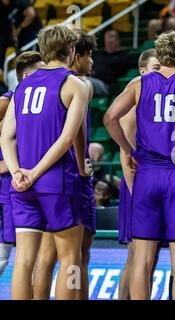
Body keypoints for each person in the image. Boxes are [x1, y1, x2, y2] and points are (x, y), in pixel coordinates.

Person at [104, 31, 175, 300]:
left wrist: (127, 148)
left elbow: (110, 117)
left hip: (147, 173)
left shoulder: (139, 83)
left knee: (141, 259)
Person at [0, 25, 89, 300]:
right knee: (70, 259)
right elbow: (67, 139)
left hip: (23, 185)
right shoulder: (75, 83)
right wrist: (36, 172)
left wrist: (17, 172)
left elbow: (6, 136)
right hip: (57, 181)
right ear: (71, 50)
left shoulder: (23, 84)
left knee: (24, 260)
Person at [32, 30, 97, 300]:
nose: (92, 61)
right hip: (69, 177)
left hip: (38, 178)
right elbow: (76, 135)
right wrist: (82, 165)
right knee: (77, 256)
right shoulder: (79, 85)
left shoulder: (34, 83)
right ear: (75, 53)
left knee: (46, 256)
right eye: (89, 54)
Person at [117, 48, 161, 300]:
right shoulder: (135, 101)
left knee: (150, 257)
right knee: (136, 256)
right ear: (142, 72)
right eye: (156, 68)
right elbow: (126, 154)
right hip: (137, 186)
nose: (160, 73)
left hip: (152, 183)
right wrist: (135, 192)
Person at [0, 51, 44, 277]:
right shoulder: (9, 100)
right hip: (13, 182)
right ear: (27, 76)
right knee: (7, 256)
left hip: (24, 181)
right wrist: (7, 164)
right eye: (41, 69)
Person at [90, 30, 137, 96]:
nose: (108, 40)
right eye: (106, 37)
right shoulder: (98, 55)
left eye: (111, 36)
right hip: (91, 79)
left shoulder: (124, 56)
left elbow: (139, 64)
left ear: (118, 40)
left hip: (106, 85)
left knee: (84, 82)